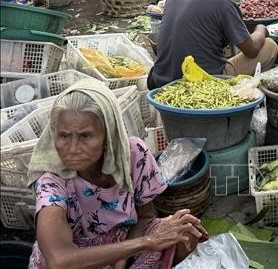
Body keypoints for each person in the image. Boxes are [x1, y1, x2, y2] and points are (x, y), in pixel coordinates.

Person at [26, 80, 208, 268]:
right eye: (64, 136)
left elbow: (145, 214)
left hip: (124, 243)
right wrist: (146, 243)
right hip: (78, 258)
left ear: (108, 135)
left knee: (186, 230)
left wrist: (122, 259)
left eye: (85, 136)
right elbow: (59, 260)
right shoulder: (52, 182)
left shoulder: (133, 154)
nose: (73, 149)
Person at [148, 0, 278, 89]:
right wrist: (260, 29)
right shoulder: (223, 4)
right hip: (203, 84)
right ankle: (248, 93)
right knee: (269, 46)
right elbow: (252, 50)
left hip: (161, 80)